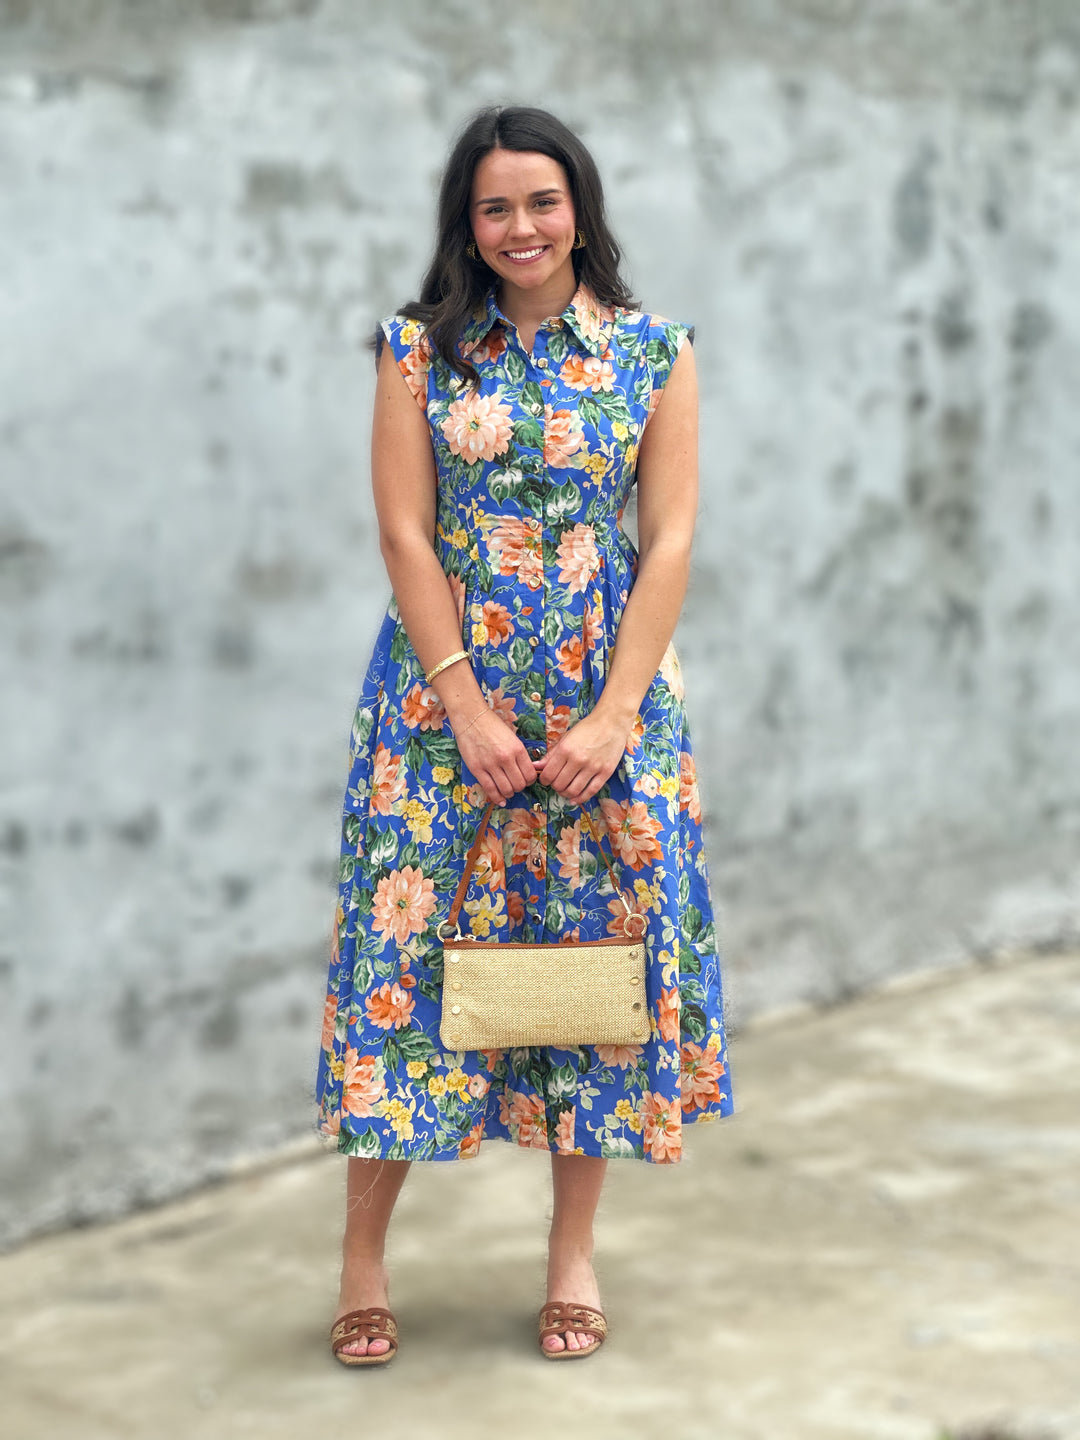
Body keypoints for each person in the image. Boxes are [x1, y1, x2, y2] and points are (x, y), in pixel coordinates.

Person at [316, 104, 735, 1366]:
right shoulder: (415, 353)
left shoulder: (653, 352)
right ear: (467, 221)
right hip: (442, 711)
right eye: (494, 207)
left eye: (541, 202)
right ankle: (361, 1259)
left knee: (592, 976)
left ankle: (572, 1255)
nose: (520, 228)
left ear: (580, 208)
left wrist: (613, 717)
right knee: (407, 968)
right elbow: (404, 535)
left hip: (611, 709)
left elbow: (667, 538)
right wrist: (465, 705)